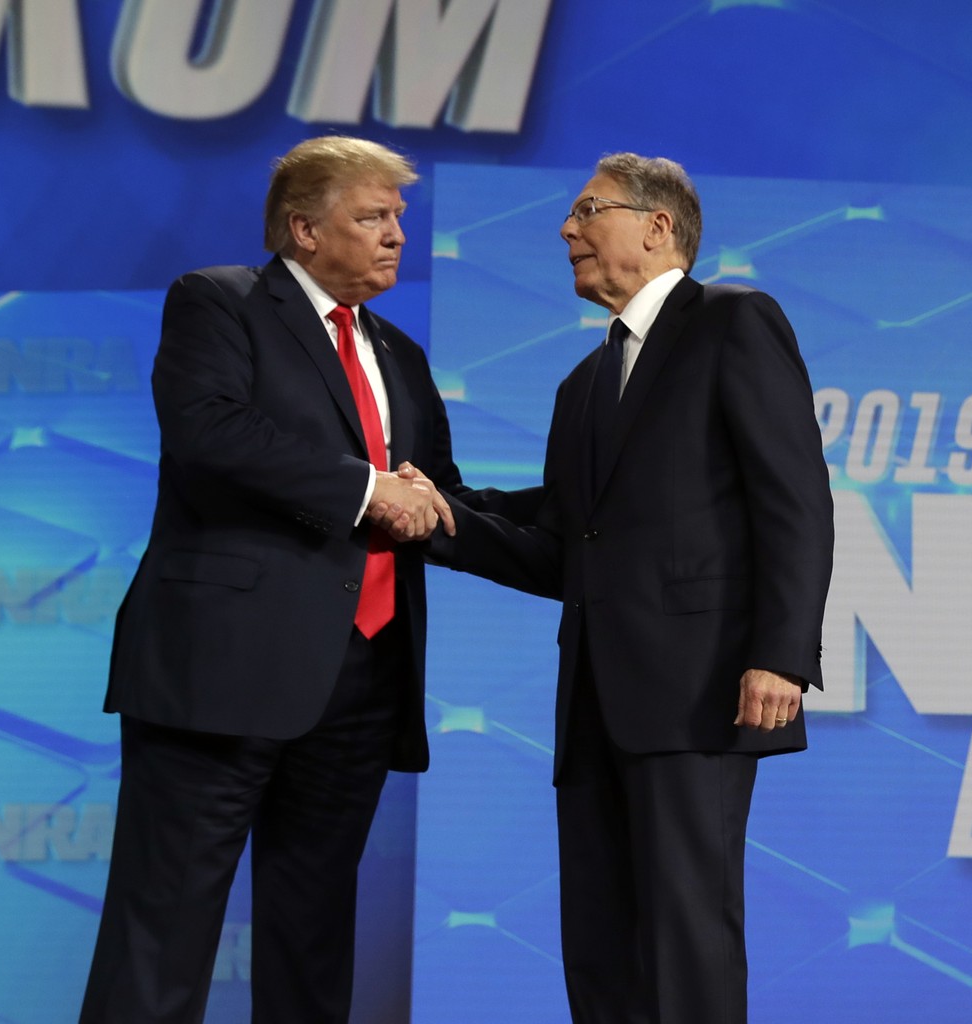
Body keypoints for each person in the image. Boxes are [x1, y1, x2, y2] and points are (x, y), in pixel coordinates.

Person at [380, 152, 834, 1024]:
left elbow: (795, 499)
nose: (567, 231)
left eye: (588, 211)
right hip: (592, 695)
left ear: (658, 227)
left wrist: (780, 655)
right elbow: (564, 544)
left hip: (701, 686)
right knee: (599, 941)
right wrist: (440, 516)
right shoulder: (582, 383)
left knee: (683, 930)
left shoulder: (733, 320)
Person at [81, 135, 463, 1024]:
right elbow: (211, 432)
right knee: (162, 932)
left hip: (362, 676)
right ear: (302, 228)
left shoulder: (398, 352)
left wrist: (588, 539)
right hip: (220, 672)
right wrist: (370, 490)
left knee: (313, 937)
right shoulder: (220, 303)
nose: (396, 234)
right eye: (373, 216)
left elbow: (436, 496)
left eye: (399, 216)